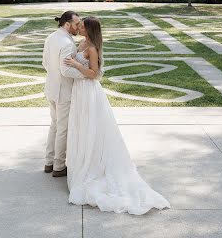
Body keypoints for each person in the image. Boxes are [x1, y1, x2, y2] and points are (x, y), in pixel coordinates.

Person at [64, 16, 170, 215]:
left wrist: (76, 65)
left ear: (89, 29)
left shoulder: (92, 48)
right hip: (79, 90)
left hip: (88, 91)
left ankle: (93, 165)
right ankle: (81, 161)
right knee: (81, 127)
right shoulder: (81, 42)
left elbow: (94, 73)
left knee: (91, 127)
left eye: (82, 25)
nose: (78, 27)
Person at [42, 10, 85, 177]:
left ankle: (49, 162)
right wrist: (85, 75)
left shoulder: (51, 37)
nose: (78, 27)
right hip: (63, 92)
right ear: (67, 24)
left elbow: (45, 63)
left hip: (51, 88)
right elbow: (66, 70)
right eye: (76, 24)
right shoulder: (67, 43)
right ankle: (59, 166)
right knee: (63, 129)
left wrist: (55, 75)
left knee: (54, 125)